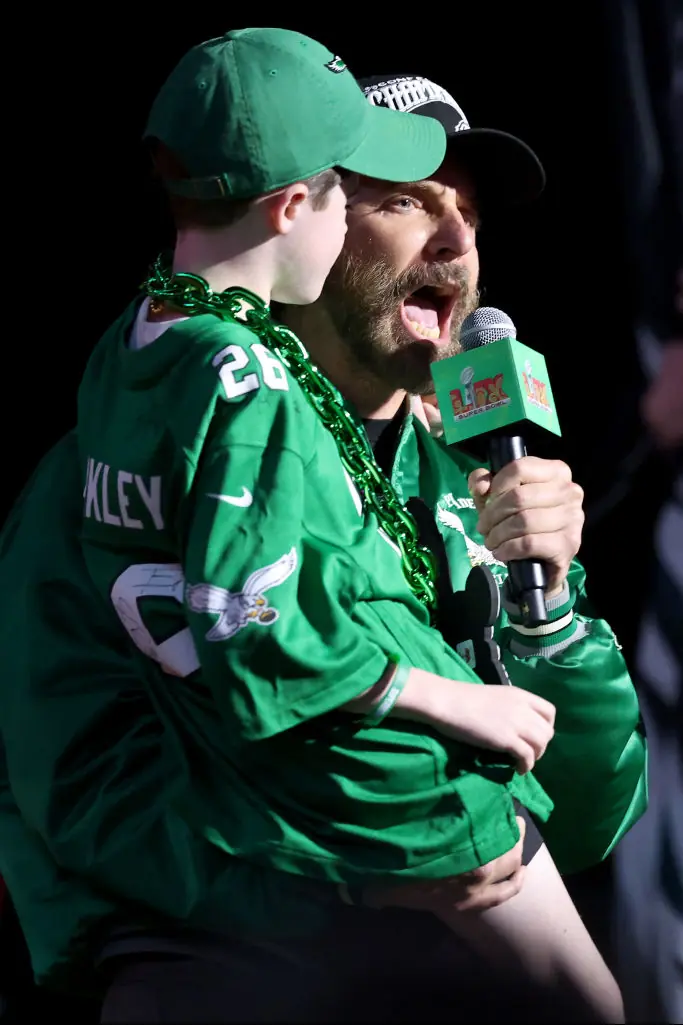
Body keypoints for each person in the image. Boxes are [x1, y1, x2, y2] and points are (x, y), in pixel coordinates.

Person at [0, 46, 643, 1025]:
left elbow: (589, 813)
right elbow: (76, 780)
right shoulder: (132, 454)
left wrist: (544, 605)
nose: (454, 241)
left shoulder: (475, 489)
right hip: (224, 952)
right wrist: (354, 880)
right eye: (409, 202)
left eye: (467, 214)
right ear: (308, 214)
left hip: (447, 958)